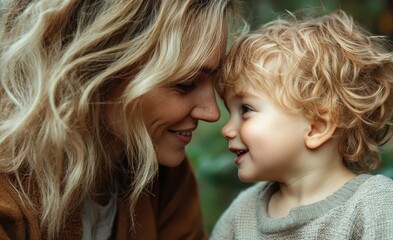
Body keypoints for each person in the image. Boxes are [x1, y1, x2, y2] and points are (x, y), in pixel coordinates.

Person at [0, 0, 241, 239]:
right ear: (98, 67)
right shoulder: (8, 189)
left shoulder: (163, 174)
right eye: (185, 84)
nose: (213, 113)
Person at [211, 10, 393, 239]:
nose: (227, 129)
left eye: (245, 110)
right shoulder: (240, 215)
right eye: (230, 112)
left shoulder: (382, 209)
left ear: (317, 127)